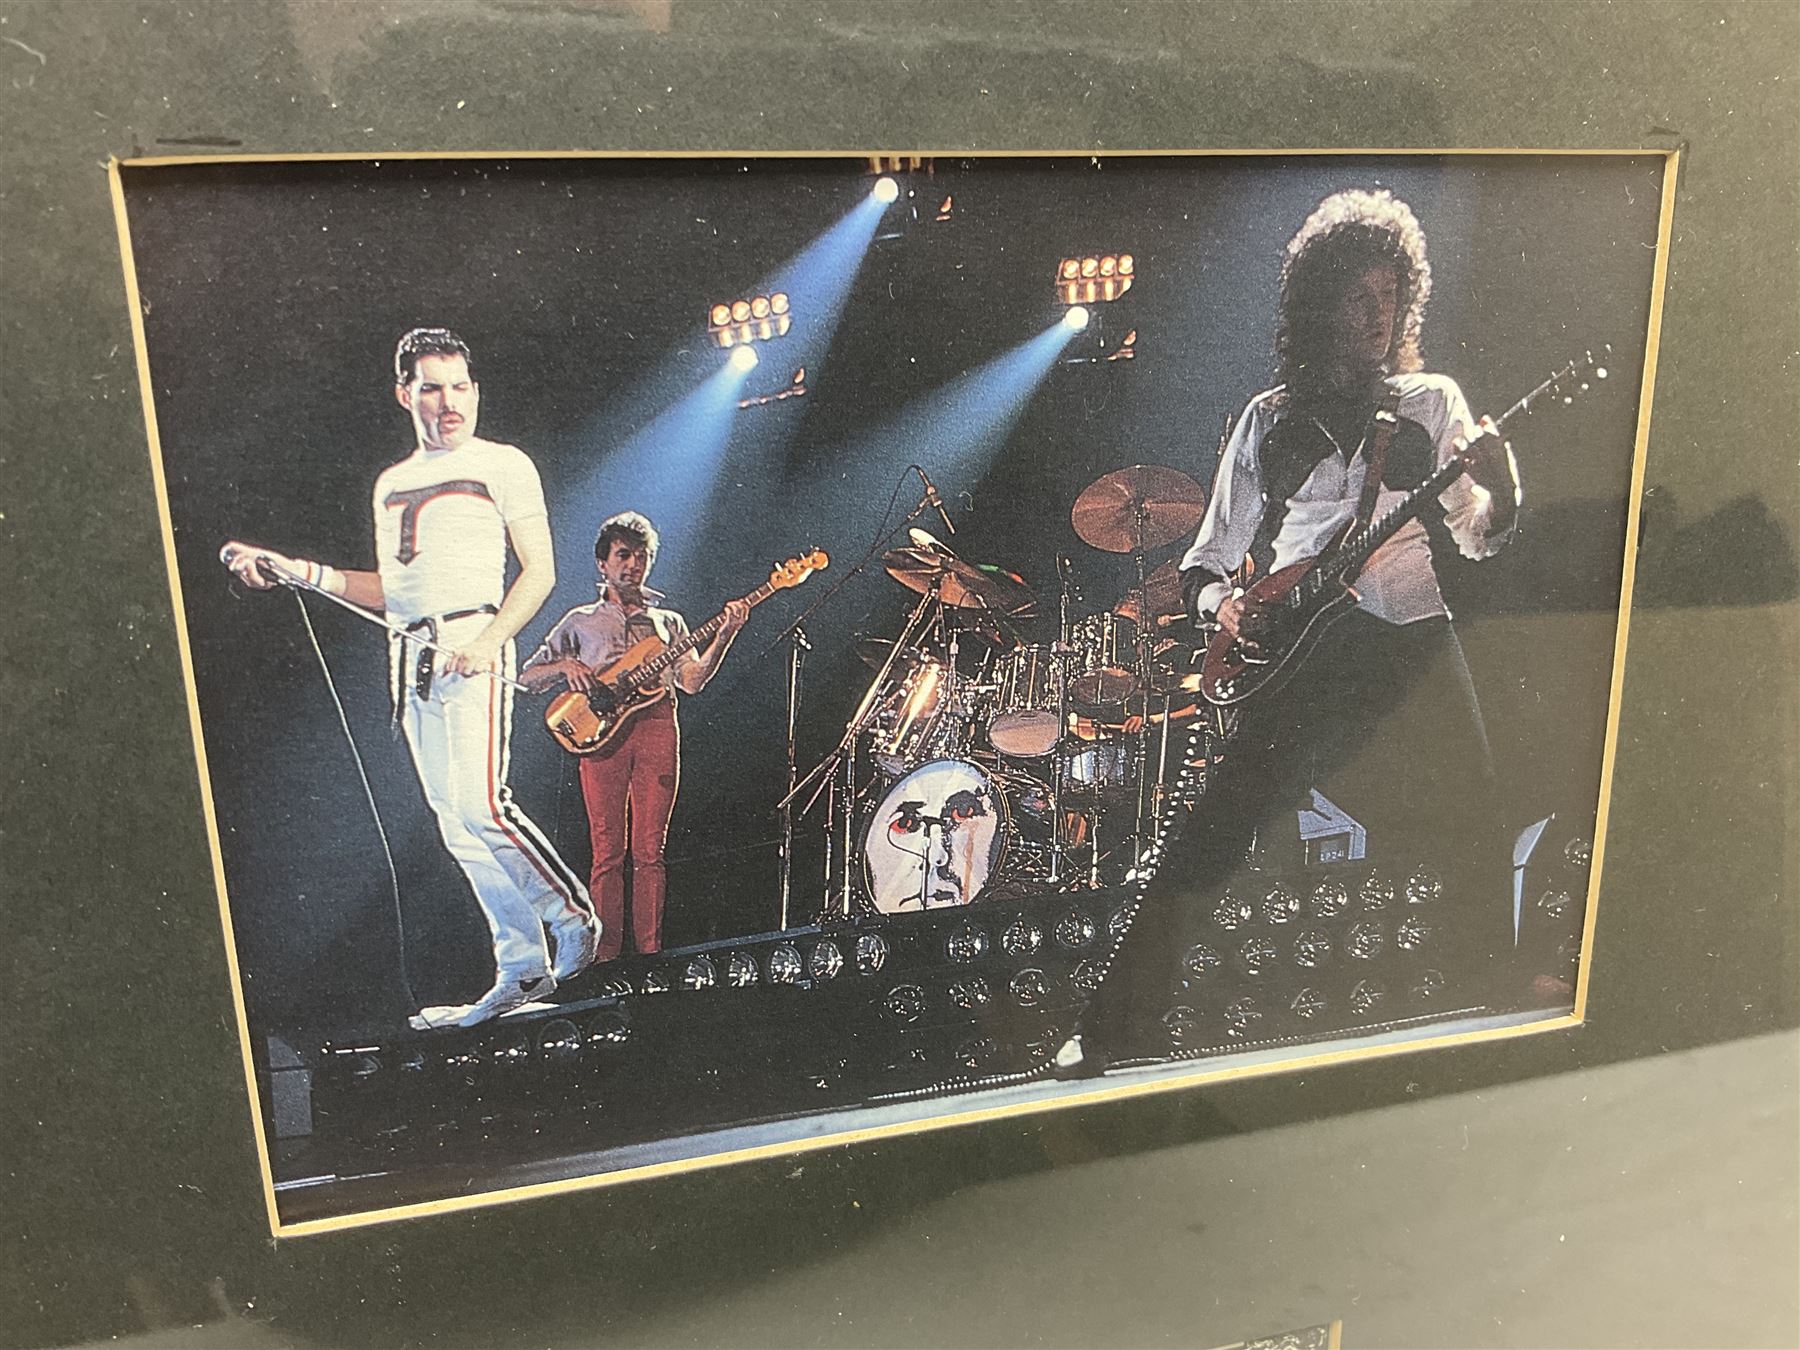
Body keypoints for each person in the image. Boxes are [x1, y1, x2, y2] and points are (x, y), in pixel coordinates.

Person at [1056, 187, 1523, 1076]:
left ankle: (1494, 996)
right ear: (1319, 306)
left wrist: (1507, 491)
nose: (1377, 315)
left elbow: (1479, 533)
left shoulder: (1432, 404)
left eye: (1390, 296)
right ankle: (1112, 1028)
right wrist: (1221, 608)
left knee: (1477, 813)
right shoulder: (1265, 419)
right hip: (1298, 643)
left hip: (1411, 629)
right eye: (1357, 297)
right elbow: (1203, 562)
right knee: (1214, 830)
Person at [221, 327, 597, 1031]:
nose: (449, 402)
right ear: (405, 394)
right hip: (413, 655)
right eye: (431, 387)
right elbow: (393, 592)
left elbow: (540, 572)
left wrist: (488, 642)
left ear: (475, 390)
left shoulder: (503, 463)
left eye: (459, 386)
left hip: (476, 637)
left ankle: (572, 917)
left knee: (484, 804)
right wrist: (293, 569)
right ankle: (519, 967)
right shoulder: (391, 483)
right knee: (455, 823)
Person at [520, 513, 747, 961]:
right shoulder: (579, 621)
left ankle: (650, 956)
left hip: (657, 727)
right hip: (600, 737)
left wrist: (725, 635)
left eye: (641, 556)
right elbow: (527, 676)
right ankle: (604, 958)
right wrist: (565, 667)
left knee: (650, 850)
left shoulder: (668, 623)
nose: (633, 565)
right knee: (607, 849)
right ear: (602, 563)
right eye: (623, 555)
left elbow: (693, 681)